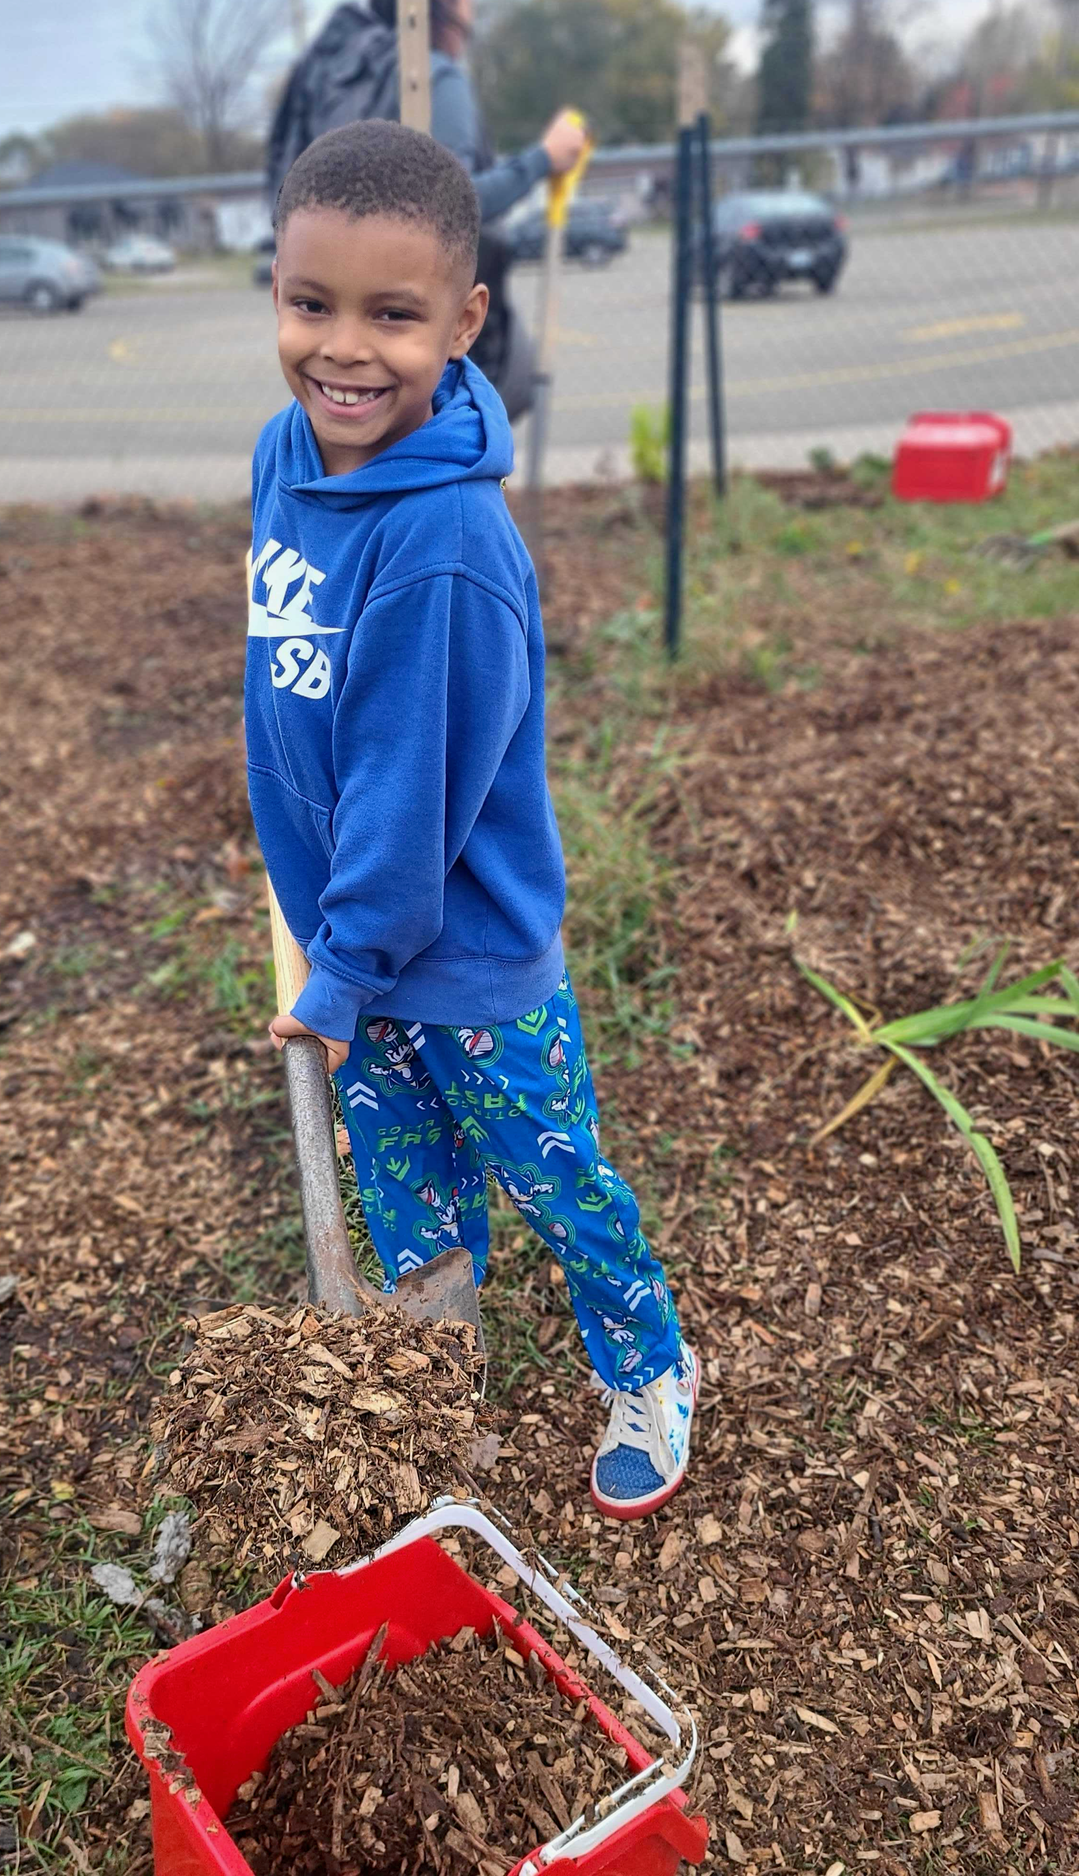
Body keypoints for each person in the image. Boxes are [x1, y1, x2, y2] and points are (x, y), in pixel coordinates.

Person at [246, 119, 700, 1521]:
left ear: (464, 320)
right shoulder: (285, 452)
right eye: (309, 302)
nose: (343, 349)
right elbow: (293, 678)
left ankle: (651, 1361)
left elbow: (406, 792)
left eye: (394, 315)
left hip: (466, 961)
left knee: (553, 1180)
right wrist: (299, 877)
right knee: (406, 1198)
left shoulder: (443, 544)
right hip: (357, 942)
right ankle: (441, 1386)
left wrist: (339, 971)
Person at [265, 0, 587, 417]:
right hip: (420, 368)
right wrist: (545, 159)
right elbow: (454, 208)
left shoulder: (334, 73)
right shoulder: (437, 78)